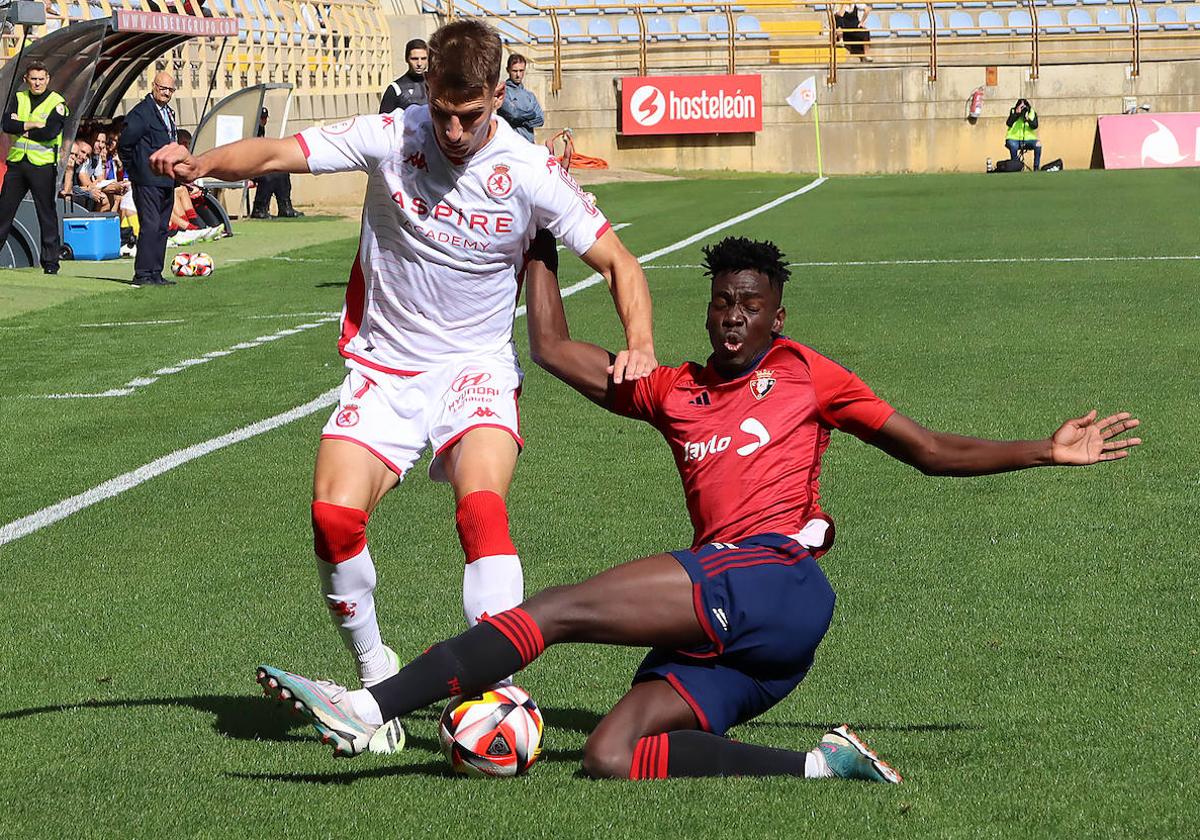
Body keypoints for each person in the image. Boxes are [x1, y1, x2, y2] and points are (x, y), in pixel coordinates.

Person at [256, 232, 1142, 780]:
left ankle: (371, 708)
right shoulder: (673, 390)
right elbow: (555, 347)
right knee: (610, 754)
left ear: (776, 317)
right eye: (721, 303)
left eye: (749, 306)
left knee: (556, 611)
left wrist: (1043, 449)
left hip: (777, 582)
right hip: (744, 636)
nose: (731, 318)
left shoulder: (806, 376)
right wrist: (537, 237)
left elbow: (930, 450)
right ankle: (818, 765)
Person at [151, 19, 656, 733]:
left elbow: (619, 264)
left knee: (482, 510)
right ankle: (373, 680)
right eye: (444, 113)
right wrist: (201, 165)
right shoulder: (393, 134)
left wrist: (640, 343)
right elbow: (277, 151)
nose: (453, 130)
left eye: (470, 115)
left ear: (499, 93)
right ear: (428, 93)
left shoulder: (531, 172)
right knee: (332, 521)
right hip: (385, 367)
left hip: (475, 369)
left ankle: (498, 693)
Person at [0, 61, 68, 274]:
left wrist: (21, 127)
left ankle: (50, 263)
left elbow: (49, 132)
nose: (37, 83)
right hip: (18, 163)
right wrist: (31, 125)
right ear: (26, 80)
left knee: (46, 213)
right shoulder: (18, 98)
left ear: (47, 79)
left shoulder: (57, 102)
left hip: (43, 165)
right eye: (33, 79)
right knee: (4, 211)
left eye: (41, 79)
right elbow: (6, 125)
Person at [120, 71, 180, 287]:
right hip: (147, 179)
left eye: (170, 90)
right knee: (151, 224)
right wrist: (135, 170)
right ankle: (143, 273)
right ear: (153, 86)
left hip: (166, 178)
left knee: (163, 226)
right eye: (163, 88)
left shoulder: (168, 113)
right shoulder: (141, 114)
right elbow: (125, 144)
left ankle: (156, 271)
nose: (166, 93)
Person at [250, 108, 303, 219]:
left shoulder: (261, 129)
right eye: (262, 118)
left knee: (282, 172)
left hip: (260, 165)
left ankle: (285, 207)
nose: (264, 121)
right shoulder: (250, 131)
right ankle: (259, 209)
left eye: (265, 118)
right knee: (268, 177)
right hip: (249, 167)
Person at [497, 54, 543, 142]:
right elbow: (514, 114)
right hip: (509, 145)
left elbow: (540, 119)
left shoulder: (530, 95)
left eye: (521, 71)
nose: (518, 75)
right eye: (515, 71)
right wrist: (531, 114)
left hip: (528, 145)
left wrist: (520, 121)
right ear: (508, 70)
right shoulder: (503, 92)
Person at [379, 39, 428, 114]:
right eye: (414, 59)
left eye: (423, 58)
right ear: (406, 59)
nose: (419, 63)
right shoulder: (395, 88)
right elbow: (383, 122)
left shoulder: (436, 85)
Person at [1005, 98, 1042, 170]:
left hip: (1029, 139)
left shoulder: (1031, 112)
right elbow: (1009, 123)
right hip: (1013, 139)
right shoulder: (1013, 111)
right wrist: (1016, 114)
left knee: (1038, 144)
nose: (1022, 109)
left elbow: (1035, 126)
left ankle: (1036, 167)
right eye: (1021, 107)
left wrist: (1028, 119)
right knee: (1013, 146)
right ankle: (1015, 166)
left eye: (1024, 107)